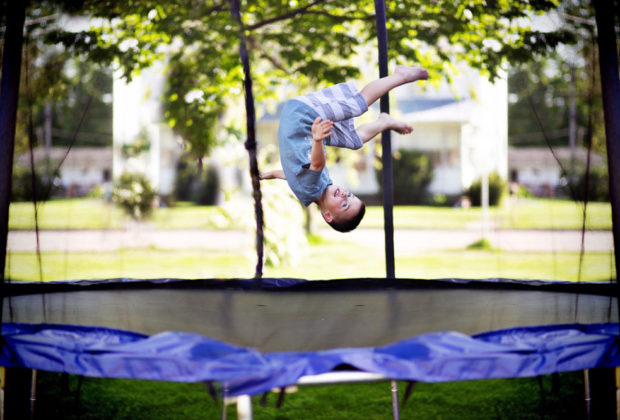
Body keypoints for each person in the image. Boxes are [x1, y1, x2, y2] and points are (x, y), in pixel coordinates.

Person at [260, 66, 429, 232]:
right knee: (354, 140)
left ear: (327, 215)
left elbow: (317, 165)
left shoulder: (312, 189)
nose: (344, 195)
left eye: (344, 204)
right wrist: (272, 174)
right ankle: (383, 122)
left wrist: (318, 140)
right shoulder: (311, 191)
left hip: (305, 116)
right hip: (304, 123)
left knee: (358, 105)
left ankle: (400, 76)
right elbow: (292, 176)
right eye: (350, 196)